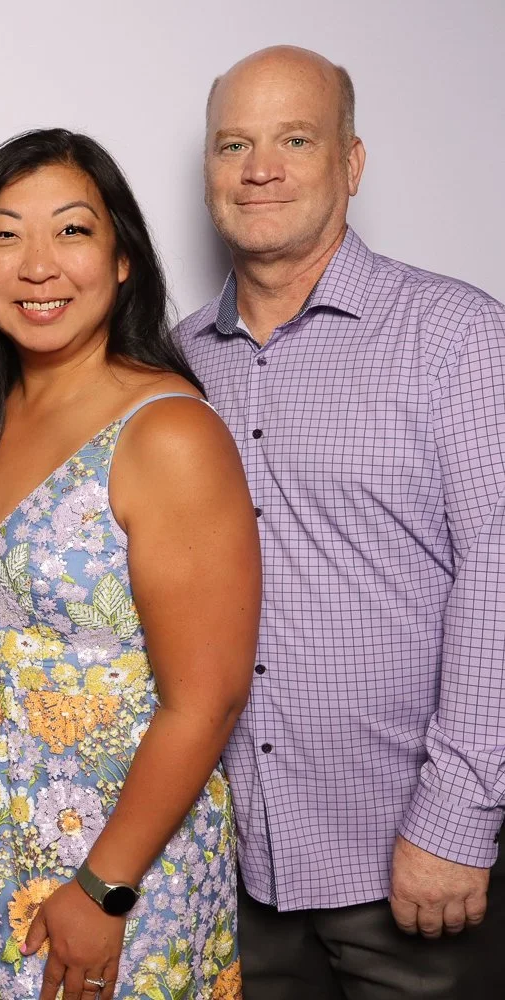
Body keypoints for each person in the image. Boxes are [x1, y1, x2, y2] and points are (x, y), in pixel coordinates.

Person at [0, 128, 260, 1000]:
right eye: (5, 234)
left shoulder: (167, 433)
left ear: (123, 257)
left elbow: (206, 699)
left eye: (73, 231)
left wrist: (104, 887)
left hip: (119, 870)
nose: (37, 265)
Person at [178, 45, 505, 998]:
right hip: (233, 877)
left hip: (413, 865)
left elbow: (498, 577)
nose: (260, 168)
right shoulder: (177, 363)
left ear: (350, 164)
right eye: (234, 143)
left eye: (294, 139)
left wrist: (453, 822)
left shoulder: (457, 335)